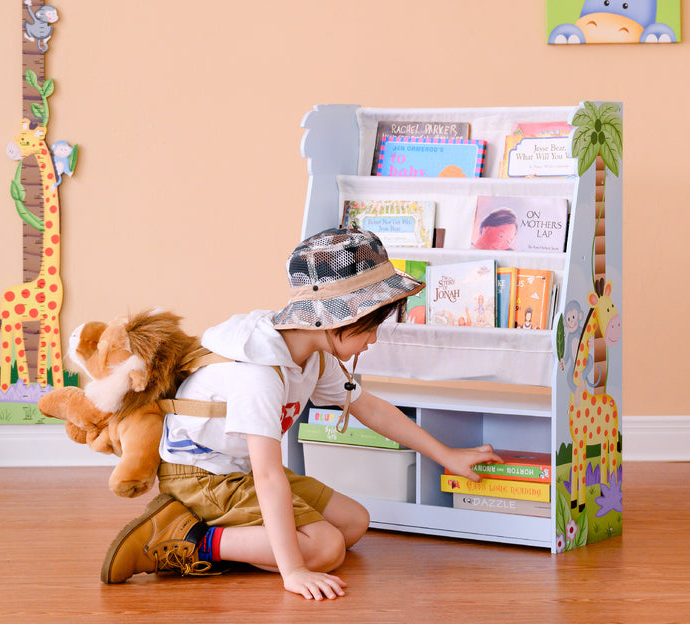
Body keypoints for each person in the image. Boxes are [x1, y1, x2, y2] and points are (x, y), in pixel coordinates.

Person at [101, 228, 503, 600]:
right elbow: (269, 477)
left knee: (353, 523)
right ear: (334, 317)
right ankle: (185, 538)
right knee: (325, 548)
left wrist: (446, 455)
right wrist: (292, 571)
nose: (373, 338)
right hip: (204, 476)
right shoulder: (259, 375)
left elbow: (371, 410)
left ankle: (234, 539)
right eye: (368, 325)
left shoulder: (312, 355)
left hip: (237, 468)